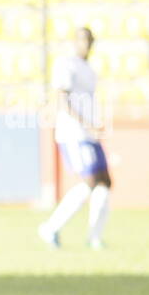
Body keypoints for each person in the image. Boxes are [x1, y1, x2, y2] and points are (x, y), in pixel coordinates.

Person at [38, 27, 111, 250]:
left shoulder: (90, 69)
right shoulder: (65, 64)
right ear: (74, 42)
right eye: (82, 40)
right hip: (73, 132)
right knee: (89, 182)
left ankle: (94, 237)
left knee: (105, 183)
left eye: (89, 40)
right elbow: (62, 98)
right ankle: (50, 228)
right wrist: (86, 123)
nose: (86, 44)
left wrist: (95, 122)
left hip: (89, 134)